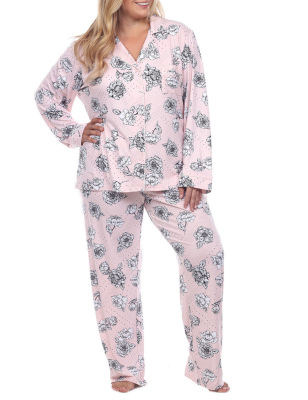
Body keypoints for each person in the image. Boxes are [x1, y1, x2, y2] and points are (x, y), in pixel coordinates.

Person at [34, 0, 230, 394]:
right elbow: (46, 96)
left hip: (172, 176)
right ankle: (125, 368)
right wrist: (76, 132)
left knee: (206, 254)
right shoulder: (88, 48)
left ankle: (205, 368)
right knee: (114, 273)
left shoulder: (178, 38)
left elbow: (197, 104)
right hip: (105, 176)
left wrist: (197, 170)